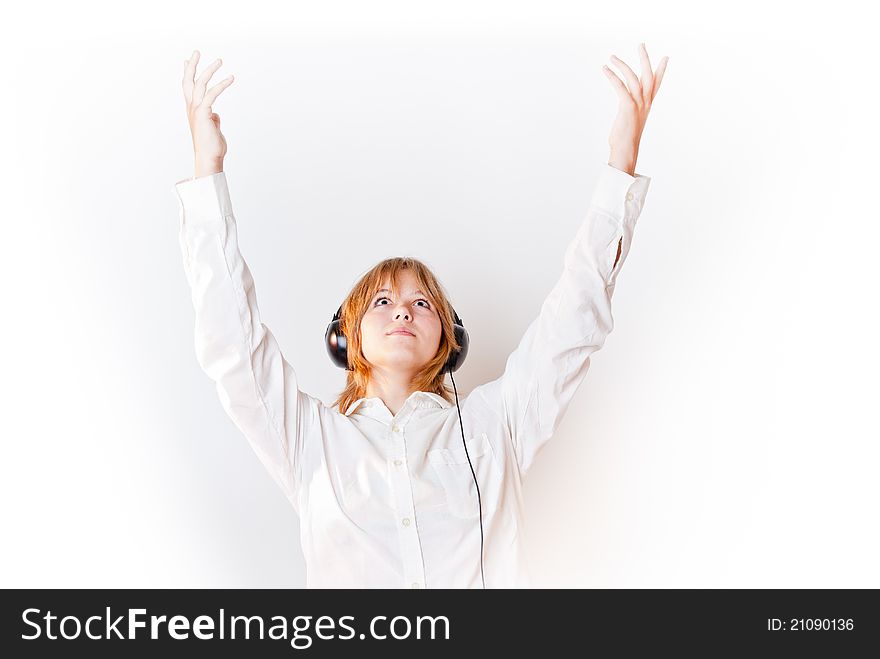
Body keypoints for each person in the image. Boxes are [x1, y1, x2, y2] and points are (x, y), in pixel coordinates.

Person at [174, 43, 668, 588]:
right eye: (381, 301)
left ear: (447, 337)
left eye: (421, 302)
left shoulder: (494, 426)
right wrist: (207, 170)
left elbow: (573, 320)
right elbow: (233, 346)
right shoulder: (310, 438)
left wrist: (621, 162)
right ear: (349, 335)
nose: (402, 311)